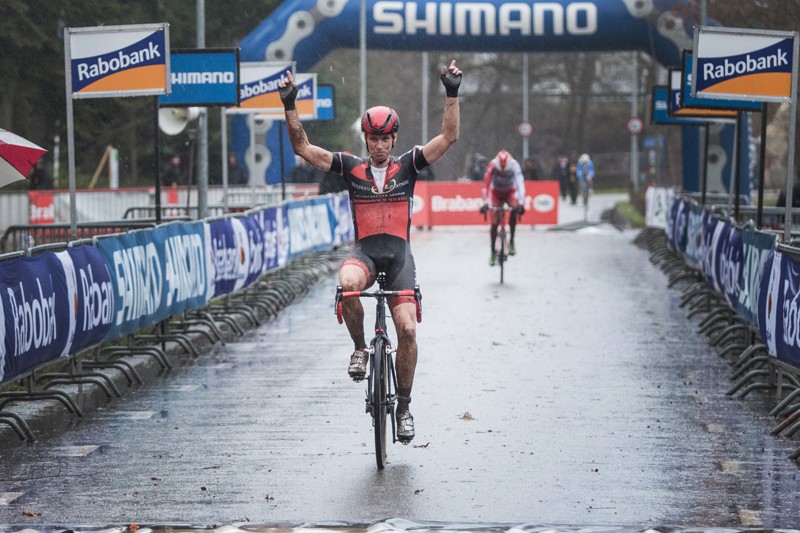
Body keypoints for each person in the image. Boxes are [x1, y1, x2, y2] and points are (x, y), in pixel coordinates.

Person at [278, 59, 463, 443]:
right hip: (364, 252)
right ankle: (361, 349)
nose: (378, 146)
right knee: (347, 283)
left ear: (393, 140)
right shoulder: (350, 167)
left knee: (408, 331)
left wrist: (451, 94)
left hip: (399, 259)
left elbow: (447, 138)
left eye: (384, 139)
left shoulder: (410, 165)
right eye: (372, 139)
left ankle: (405, 407)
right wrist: (289, 105)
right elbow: (302, 147)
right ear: (366, 140)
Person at [479, 149, 525, 266]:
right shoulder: (493, 165)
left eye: (506, 172)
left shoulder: (514, 165)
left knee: (514, 209)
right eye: (501, 172)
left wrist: (521, 203)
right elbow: (485, 185)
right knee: (494, 222)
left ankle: (512, 241)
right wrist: (484, 202)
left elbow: (520, 184)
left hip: (510, 192)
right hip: (496, 194)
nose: (504, 173)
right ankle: (493, 252)